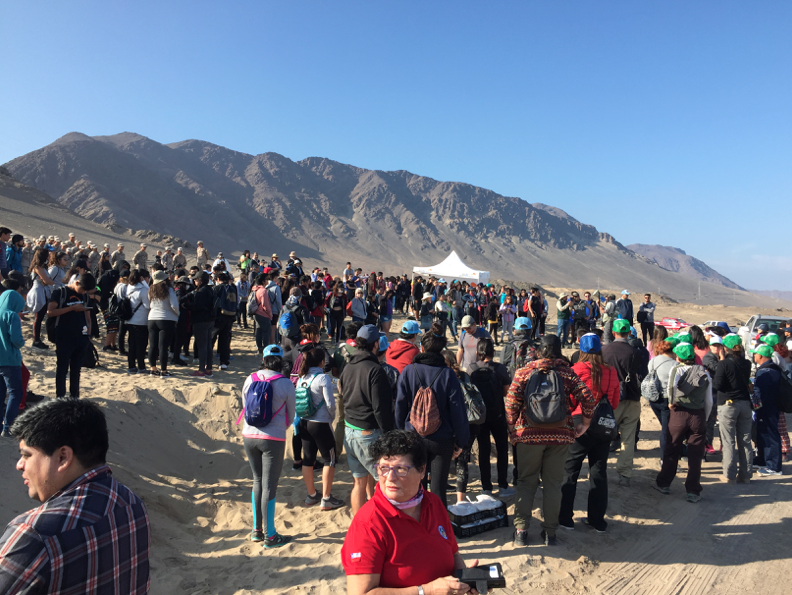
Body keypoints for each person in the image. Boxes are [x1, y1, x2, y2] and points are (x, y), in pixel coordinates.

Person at [0, 399, 150, 593]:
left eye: (27, 455)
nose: (19, 465)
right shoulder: (131, 504)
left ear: (63, 457)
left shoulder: (35, 535)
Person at [341, 430, 477, 595]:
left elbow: (453, 554)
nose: (390, 477)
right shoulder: (368, 523)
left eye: (400, 469)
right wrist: (426, 591)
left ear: (422, 470)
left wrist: (465, 578)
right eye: (383, 468)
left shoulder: (434, 503)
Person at [505, 334, 596, 546]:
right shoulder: (567, 373)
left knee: (526, 482)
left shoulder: (524, 372)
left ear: (539, 350)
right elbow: (588, 399)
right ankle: (550, 533)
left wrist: (512, 429)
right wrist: (585, 423)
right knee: (553, 484)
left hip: (528, 435)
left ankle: (521, 531)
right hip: (560, 436)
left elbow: (510, 404)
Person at [395, 323, 469, 507]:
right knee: (438, 489)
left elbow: (400, 406)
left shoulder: (409, 371)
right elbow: (458, 410)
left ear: (422, 347)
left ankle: (417, 521)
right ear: (441, 350)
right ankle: (438, 523)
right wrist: (461, 441)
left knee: (415, 487)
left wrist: (401, 433)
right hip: (442, 439)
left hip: (413, 436)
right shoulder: (448, 374)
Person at [559, 333, 620, 532]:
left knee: (570, 470)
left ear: (581, 349)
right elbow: (615, 402)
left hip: (579, 422)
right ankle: (597, 520)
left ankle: (565, 518)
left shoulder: (576, 370)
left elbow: (570, 400)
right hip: (603, 423)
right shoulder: (611, 371)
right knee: (599, 472)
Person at [239, 345, 295, 547]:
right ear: (281, 361)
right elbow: (291, 415)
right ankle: (270, 535)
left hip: (249, 435)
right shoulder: (285, 383)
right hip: (273, 438)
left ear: (263, 360)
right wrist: (279, 427)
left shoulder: (250, 378)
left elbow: (245, 405)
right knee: (269, 486)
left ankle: (257, 530)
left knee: (257, 480)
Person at [338, 324, 395, 515]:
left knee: (359, 483)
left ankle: (359, 525)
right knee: (384, 480)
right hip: (368, 432)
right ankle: (384, 522)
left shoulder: (348, 366)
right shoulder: (375, 370)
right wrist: (389, 434)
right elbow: (381, 409)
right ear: (376, 344)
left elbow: (343, 394)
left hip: (350, 429)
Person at [654, 342, 713, 502]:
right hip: (698, 415)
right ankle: (693, 491)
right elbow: (709, 401)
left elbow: (671, 388)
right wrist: (704, 417)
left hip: (679, 414)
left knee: (672, 449)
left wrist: (671, 403)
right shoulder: (704, 373)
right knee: (695, 455)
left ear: (678, 357)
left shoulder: (677, 369)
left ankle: (664, 483)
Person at [296, 348, 345, 511]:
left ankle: (311, 495)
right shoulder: (323, 378)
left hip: (304, 421)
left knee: (308, 459)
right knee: (329, 459)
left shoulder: (302, 377)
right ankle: (326, 498)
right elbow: (330, 404)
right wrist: (331, 417)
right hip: (320, 423)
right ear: (322, 362)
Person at [469, 338, 514, 497]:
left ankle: (486, 487)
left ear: (477, 352)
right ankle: (503, 485)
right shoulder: (500, 368)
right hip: (497, 413)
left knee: (483, 450)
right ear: (493, 352)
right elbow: (506, 392)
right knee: (502, 449)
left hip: (479, 416)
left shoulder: (471, 368)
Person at [602, 319, 642, 486]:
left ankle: (598, 469)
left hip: (610, 400)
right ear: (629, 333)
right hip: (632, 398)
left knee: (603, 437)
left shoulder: (604, 351)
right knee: (628, 438)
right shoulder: (635, 353)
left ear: (613, 332)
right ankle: (624, 473)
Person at [47, 273, 96, 399]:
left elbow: (88, 317)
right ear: (77, 283)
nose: (83, 292)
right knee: (62, 368)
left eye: (86, 291)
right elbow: (50, 312)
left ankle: (74, 397)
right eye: (83, 289)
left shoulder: (85, 296)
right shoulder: (60, 293)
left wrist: (88, 334)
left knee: (76, 369)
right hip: (64, 336)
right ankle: (60, 397)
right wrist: (72, 308)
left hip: (81, 337)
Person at [712, 334, 753, 483]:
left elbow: (717, 385)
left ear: (725, 347)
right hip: (745, 404)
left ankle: (729, 474)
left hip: (728, 404)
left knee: (728, 440)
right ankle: (746, 475)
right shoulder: (747, 363)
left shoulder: (724, 364)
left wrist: (721, 361)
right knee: (745, 441)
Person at [646, 329, 677, 462]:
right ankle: (665, 459)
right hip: (667, 400)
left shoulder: (653, 361)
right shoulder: (675, 365)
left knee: (666, 428)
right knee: (666, 431)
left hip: (654, 399)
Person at [753, 343, 784, 476]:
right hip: (772, 406)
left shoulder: (764, 371)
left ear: (760, 356)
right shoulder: (774, 368)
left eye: (755, 354)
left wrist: (755, 406)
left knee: (770, 435)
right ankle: (763, 460)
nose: (754, 356)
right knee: (763, 434)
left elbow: (760, 394)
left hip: (767, 408)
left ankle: (774, 467)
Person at [0, 287, 25, 436]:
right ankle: (8, 427)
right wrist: (22, 343)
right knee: (15, 393)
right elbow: (16, 339)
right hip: (10, 360)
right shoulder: (12, 315)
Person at [147, 270, 179, 377]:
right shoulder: (169, 290)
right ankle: (163, 371)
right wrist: (177, 314)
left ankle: (153, 369)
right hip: (166, 318)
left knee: (152, 345)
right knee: (163, 346)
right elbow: (174, 305)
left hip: (152, 318)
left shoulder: (151, 290)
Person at [185, 270, 216, 378]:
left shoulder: (201, 291)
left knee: (202, 345)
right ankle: (209, 369)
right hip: (210, 320)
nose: (194, 281)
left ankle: (201, 370)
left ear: (200, 280)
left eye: (196, 279)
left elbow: (196, 306)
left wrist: (186, 305)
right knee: (208, 345)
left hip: (200, 320)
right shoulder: (210, 289)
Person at [120, 269, 151, 375]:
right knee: (141, 345)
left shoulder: (129, 287)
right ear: (141, 278)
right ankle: (141, 367)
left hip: (130, 320)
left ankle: (131, 366)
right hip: (141, 321)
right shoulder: (143, 290)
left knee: (132, 344)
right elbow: (147, 305)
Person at [26, 248, 54, 350]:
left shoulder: (43, 267)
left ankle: (37, 339)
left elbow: (48, 280)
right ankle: (36, 340)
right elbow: (48, 281)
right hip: (39, 292)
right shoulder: (38, 267)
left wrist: (48, 281)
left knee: (41, 316)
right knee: (38, 317)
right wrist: (48, 281)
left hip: (44, 291)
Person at [250, 273, 274, 352]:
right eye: (267, 279)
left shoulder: (255, 289)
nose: (268, 281)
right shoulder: (263, 290)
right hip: (263, 314)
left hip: (256, 313)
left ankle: (259, 347)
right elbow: (265, 305)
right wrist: (270, 314)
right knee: (267, 332)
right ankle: (266, 348)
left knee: (259, 330)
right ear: (263, 281)